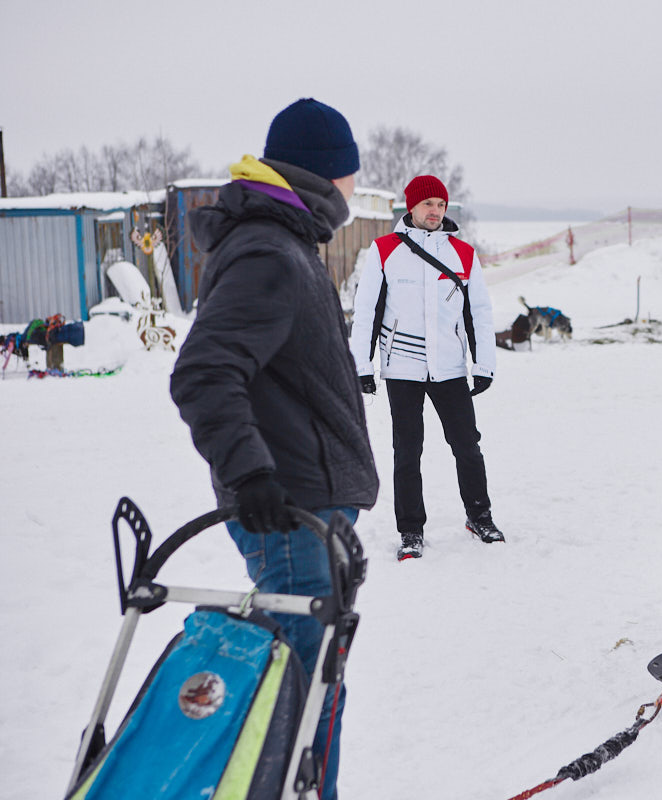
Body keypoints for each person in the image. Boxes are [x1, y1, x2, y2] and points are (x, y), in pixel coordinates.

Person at [170, 98, 378, 798]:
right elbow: (204, 372)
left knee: (311, 690)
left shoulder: (283, 243)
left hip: (311, 508)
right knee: (292, 701)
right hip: (289, 511)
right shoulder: (270, 251)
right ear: (327, 176)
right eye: (350, 172)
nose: (355, 186)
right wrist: (252, 472)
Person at [349, 174, 502, 560]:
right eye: (428, 204)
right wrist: (361, 366)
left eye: (441, 205)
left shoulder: (463, 255)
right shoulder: (384, 250)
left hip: (449, 368)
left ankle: (479, 517)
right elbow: (366, 312)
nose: (435, 212)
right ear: (411, 207)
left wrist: (484, 363)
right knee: (407, 452)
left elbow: (479, 313)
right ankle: (411, 531)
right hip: (401, 367)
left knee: (467, 446)